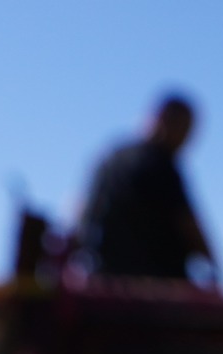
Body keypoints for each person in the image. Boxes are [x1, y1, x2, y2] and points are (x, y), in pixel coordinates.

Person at [73, 92, 215, 286]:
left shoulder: (111, 159)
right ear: (166, 121)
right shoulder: (160, 164)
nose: (186, 141)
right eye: (185, 130)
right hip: (156, 291)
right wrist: (215, 266)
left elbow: (80, 216)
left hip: (103, 282)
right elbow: (188, 227)